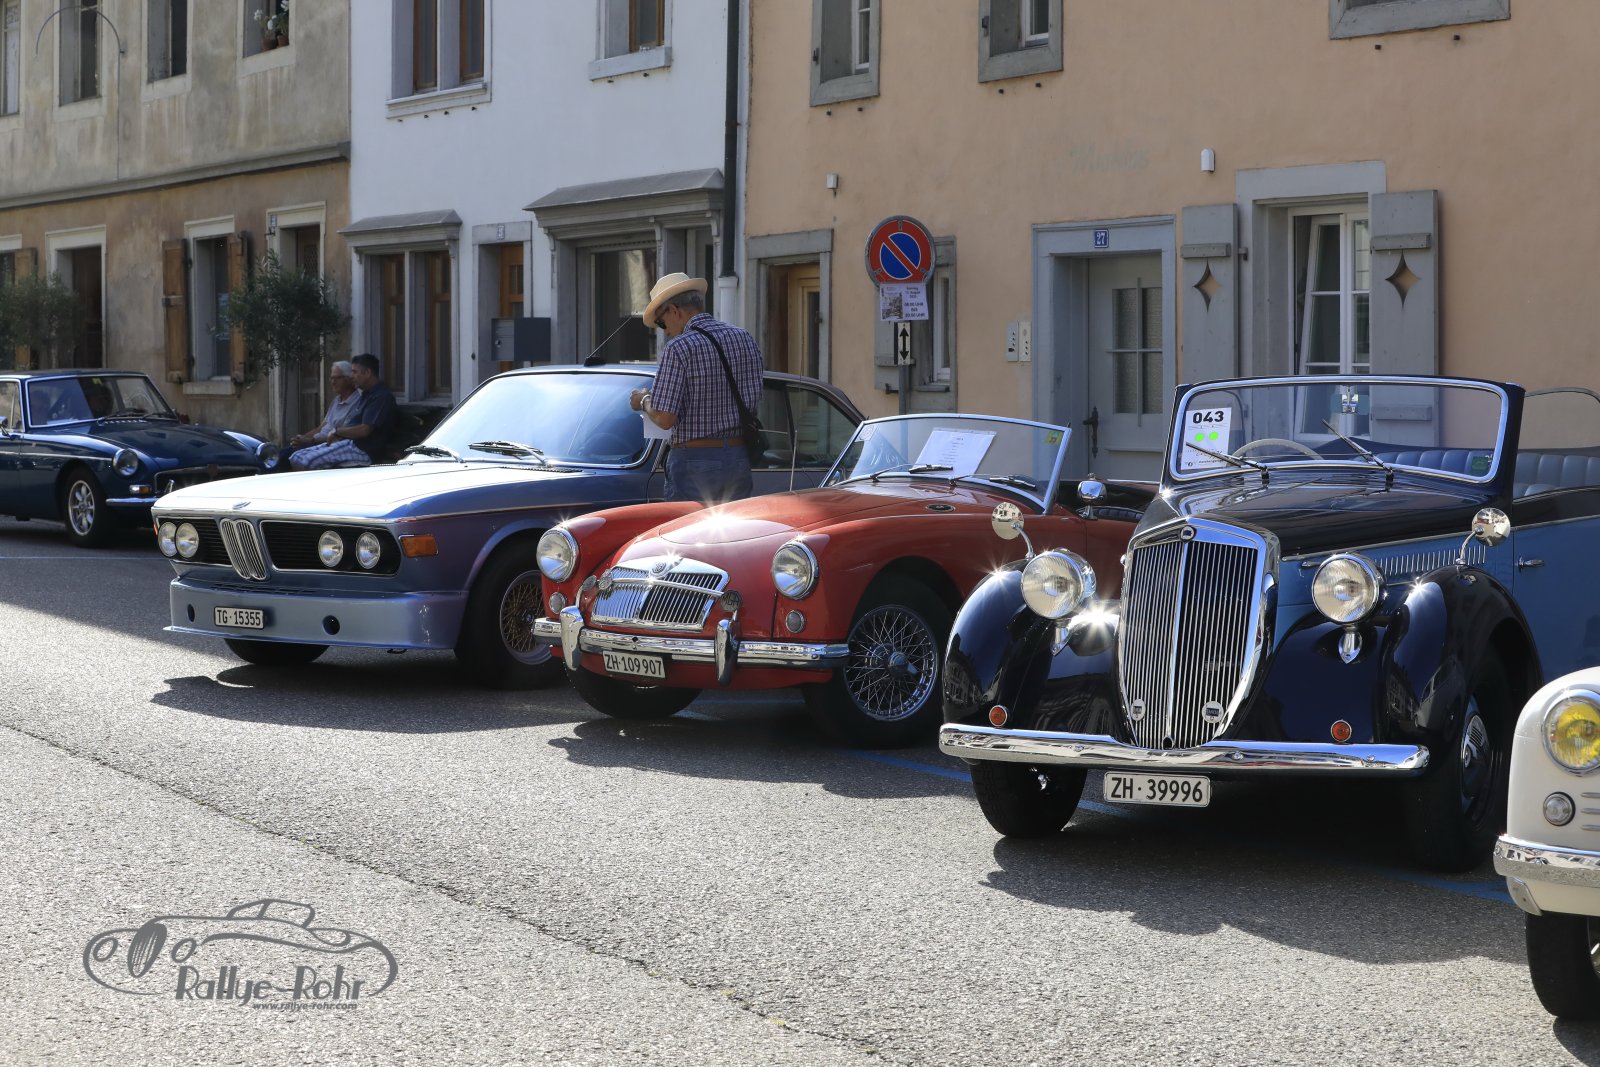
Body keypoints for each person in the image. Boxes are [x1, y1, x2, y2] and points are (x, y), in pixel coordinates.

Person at [629, 273, 763, 505]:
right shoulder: (744, 338)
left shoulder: (679, 348)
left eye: (661, 322)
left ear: (674, 311)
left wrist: (643, 400)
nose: (665, 331)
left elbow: (664, 419)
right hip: (738, 456)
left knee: (689, 527)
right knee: (733, 528)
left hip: (694, 460)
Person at [289, 353, 399, 470]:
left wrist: (337, 432)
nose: (352, 376)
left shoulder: (381, 397)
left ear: (367, 373)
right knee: (296, 456)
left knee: (306, 461)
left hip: (363, 450)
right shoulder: (366, 395)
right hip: (349, 443)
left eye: (355, 372)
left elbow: (364, 430)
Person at [282, 360, 359, 466]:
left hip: (327, 445)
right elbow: (320, 428)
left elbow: (339, 436)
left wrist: (310, 440)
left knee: (286, 458)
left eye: (337, 378)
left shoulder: (357, 402)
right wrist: (301, 438)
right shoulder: (336, 400)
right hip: (315, 442)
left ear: (349, 379)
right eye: (331, 378)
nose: (333, 382)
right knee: (279, 454)